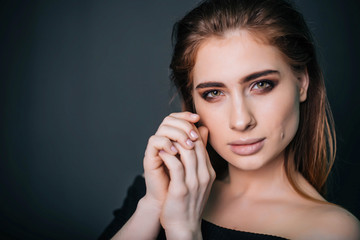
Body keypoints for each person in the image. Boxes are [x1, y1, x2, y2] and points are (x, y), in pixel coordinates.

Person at [99, 0, 360, 239]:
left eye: (261, 85)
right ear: (192, 101)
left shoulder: (331, 229)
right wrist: (152, 205)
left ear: (302, 82)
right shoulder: (155, 190)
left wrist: (184, 231)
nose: (240, 120)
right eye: (214, 93)